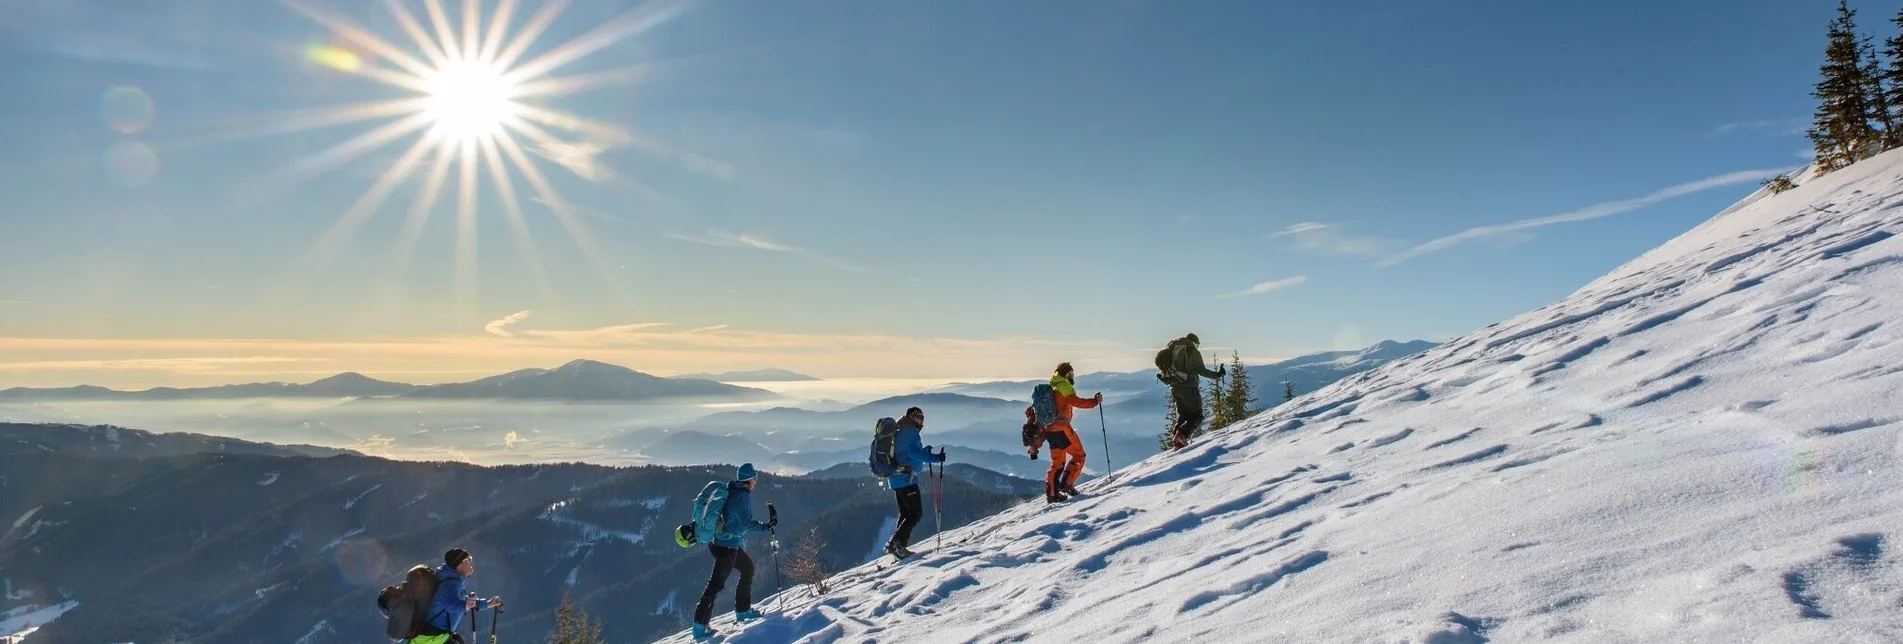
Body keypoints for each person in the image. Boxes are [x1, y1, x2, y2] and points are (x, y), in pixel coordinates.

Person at [692, 463, 777, 641]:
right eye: (755, 479)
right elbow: (745, 523)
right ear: (750, 480)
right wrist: (765, 526)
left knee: (748, 569)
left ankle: (743, 611)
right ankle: (700, 626)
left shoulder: (732, 489)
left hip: (720, 543)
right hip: (727, 547)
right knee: (715, 585)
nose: (756, 483)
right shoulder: (743, 496)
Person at [884, 406, 946, 558]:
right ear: (912, 417)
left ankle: (897, 546)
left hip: (897, 478)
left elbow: (907, 453)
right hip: (906, 480)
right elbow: (914, 453)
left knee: (906, 513)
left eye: (922, 418)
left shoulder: (901, 430)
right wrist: (936, 458)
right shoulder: (910, 432)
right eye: (919, 417)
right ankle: (896, 544)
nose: (921, 420)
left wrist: (924, 452)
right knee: (915, 513)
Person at [415, 548, 502, 644]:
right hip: (432, 638)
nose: (472, 563)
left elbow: (463, 600)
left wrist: (488, 603)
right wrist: (465, 606)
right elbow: (451, 604)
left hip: (433, 636)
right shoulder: (451, 583)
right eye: (469, 560)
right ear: (460, 564)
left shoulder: (450, 579)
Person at [1043, 362, 1102, 503]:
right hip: (1062, 428)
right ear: (1067, 373)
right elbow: (1077, 402)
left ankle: (1052, 494)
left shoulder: (1052, 385)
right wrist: (1095, 401)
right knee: (1079, 455)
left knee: (1057, 462)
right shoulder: (1064, 386)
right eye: (1072, 372)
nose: (1074, 375)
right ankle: (1067, 485)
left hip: (1049, 429)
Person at [1158, 333, 1225, 450]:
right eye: (1197, 344)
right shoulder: (1192, 351)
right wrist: (1218, 374)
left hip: (1174, 388)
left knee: (1183, 416)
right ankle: (1181, 436)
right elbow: (1201, 370)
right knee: (1197, 416)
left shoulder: (1173, 348)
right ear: (1194, 342)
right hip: (1188, 388)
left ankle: (1177, 441)